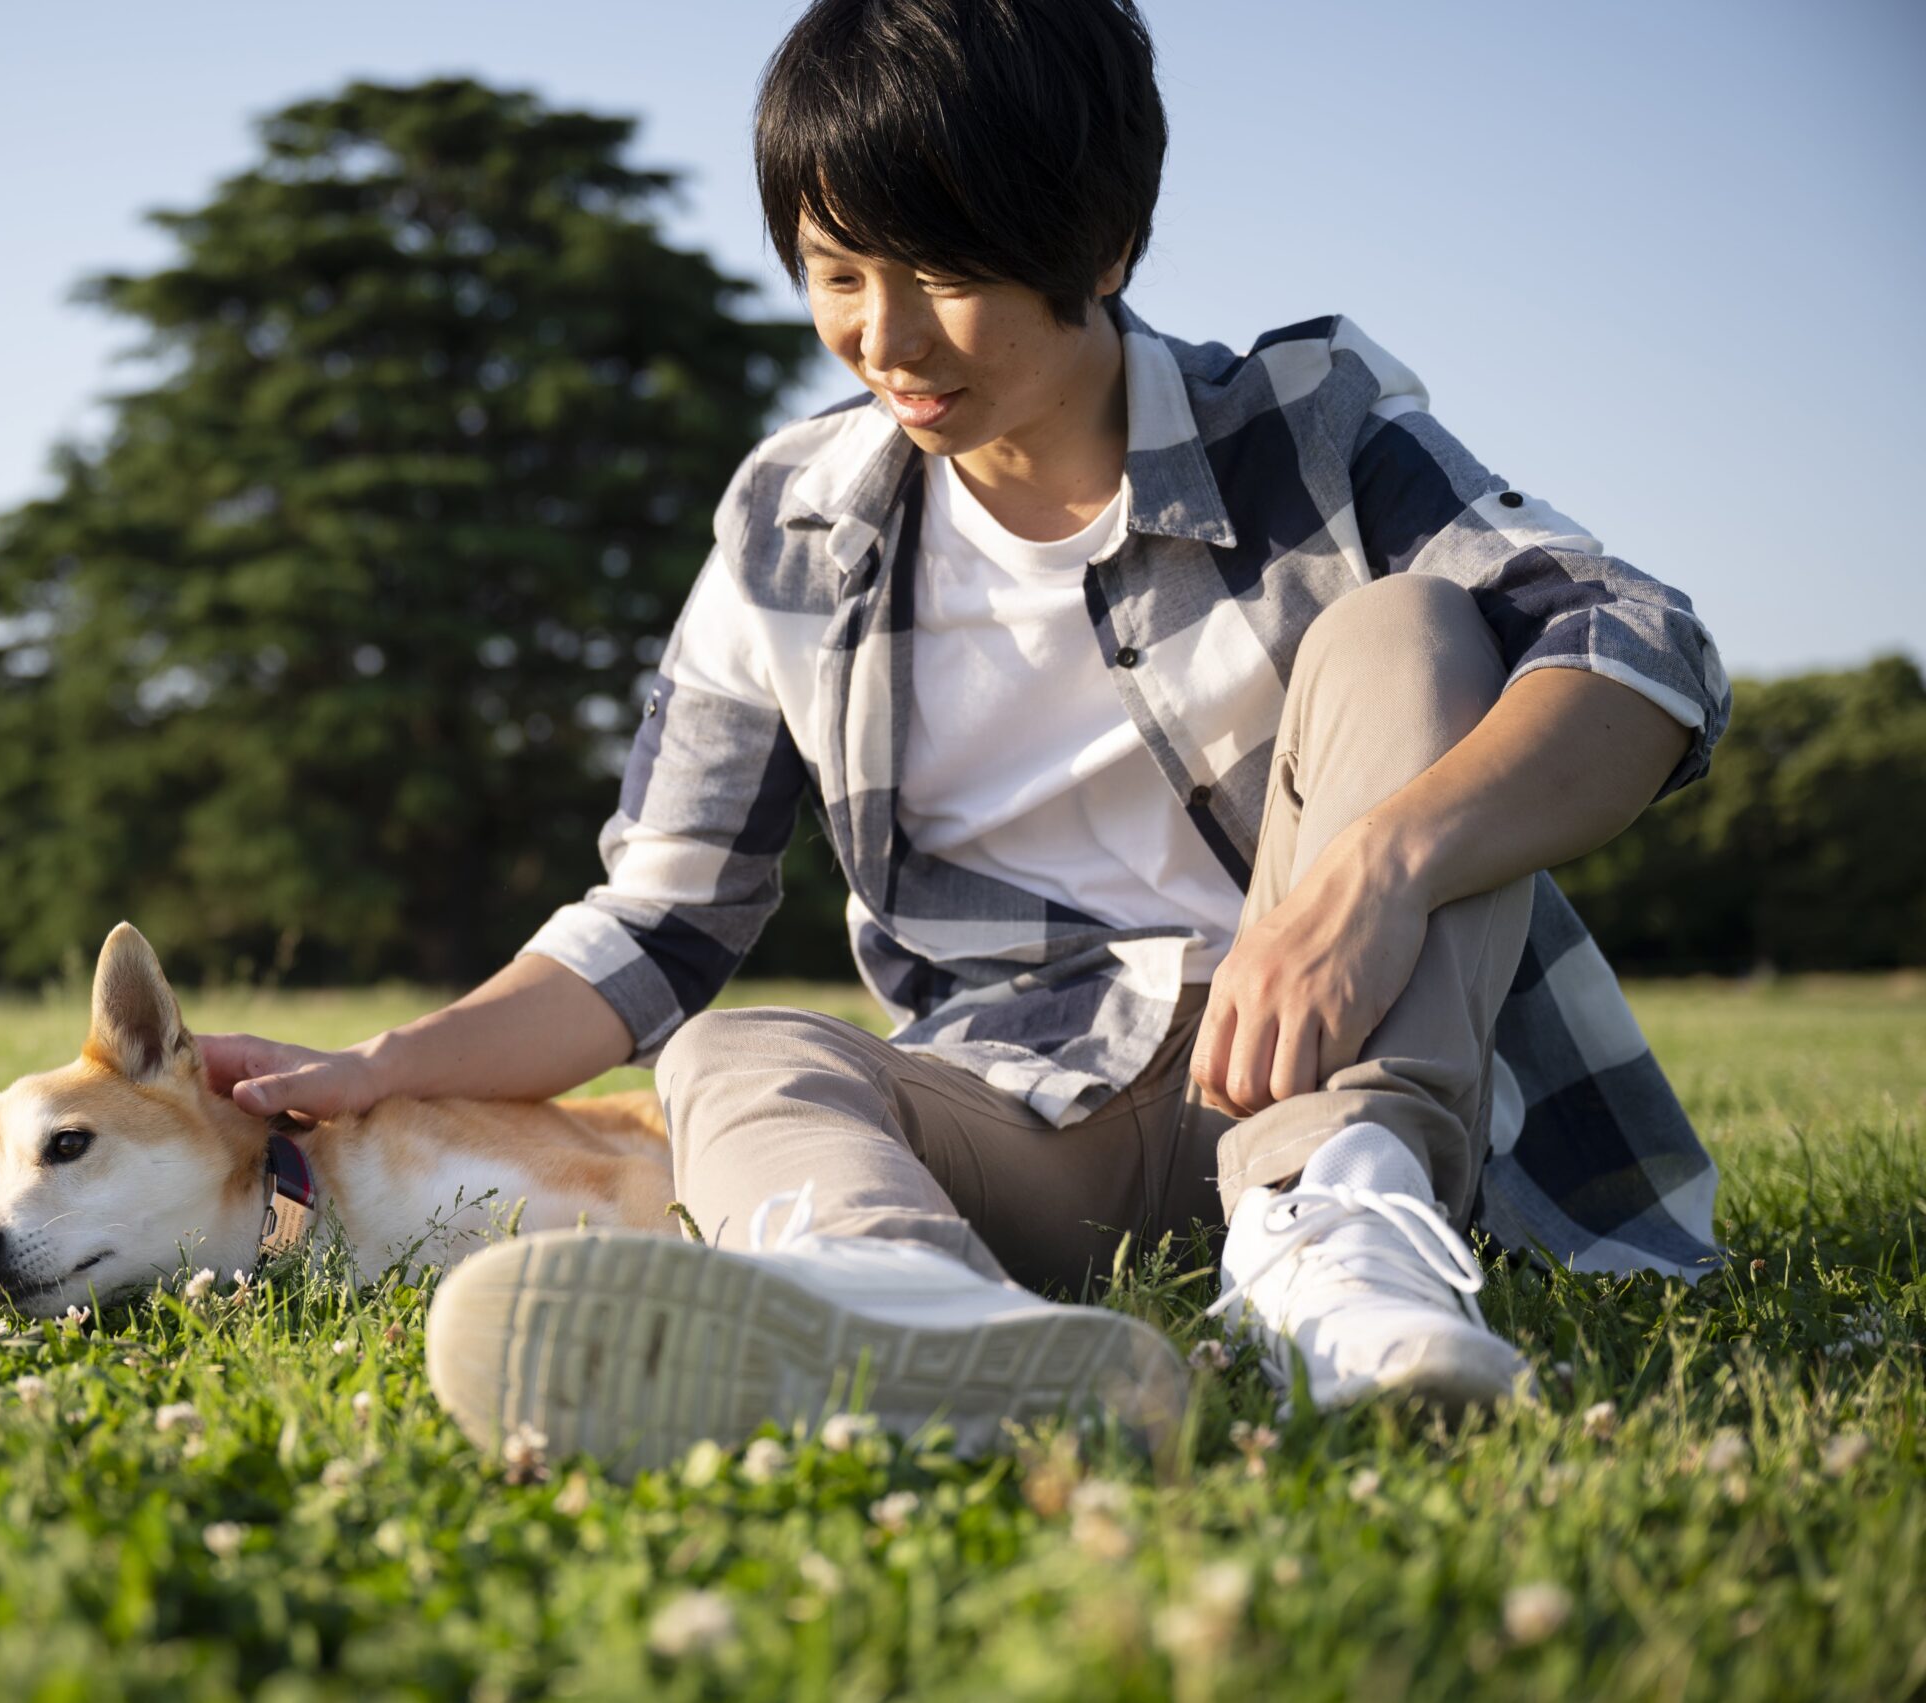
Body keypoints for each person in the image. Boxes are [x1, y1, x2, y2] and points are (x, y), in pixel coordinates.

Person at [198, 0, 1731, 1467]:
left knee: (1409, 630)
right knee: (732, 1056)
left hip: (1347, 1053)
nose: (886, 338)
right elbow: (659, 919)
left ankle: (1344, 1264)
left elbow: (1642, 651)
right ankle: (913, 1315)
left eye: (945, 272)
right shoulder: (790, 523)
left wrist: (1376, 873)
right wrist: (386, 1065)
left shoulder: (1304, 422)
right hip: (1035, 1109)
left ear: (1105, 242)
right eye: (837, 271)